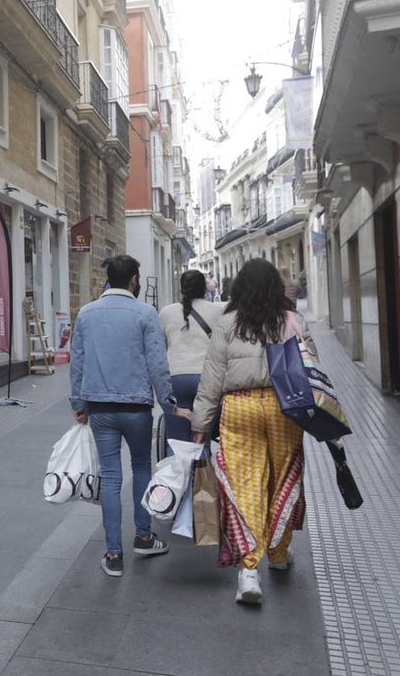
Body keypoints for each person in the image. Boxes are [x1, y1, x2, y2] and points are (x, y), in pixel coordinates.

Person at [191, 258, 315, 605]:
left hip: (239, 408)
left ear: (240, 289)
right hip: (283, 408)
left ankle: (249, 571)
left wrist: (200, 426)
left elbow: (211, 378)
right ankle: (277, 553)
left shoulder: (227, 323)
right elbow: (313, 370)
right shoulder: (293, 320)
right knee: (282, 479)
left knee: (246, 482)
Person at [69, 255, 182, 578]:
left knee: (111, 475)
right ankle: (144, 536)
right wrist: (169, 405)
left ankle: (114, 554)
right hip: (137, 408)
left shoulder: (87, 314)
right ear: (135, 279)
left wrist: (79, 402)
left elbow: (77, 361)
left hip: (100, 408)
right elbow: (158, 366)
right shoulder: (146, 314)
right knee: (141, 466)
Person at [159, 270, 225, 445]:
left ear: (181, 288)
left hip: (175, 377)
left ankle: (179, 471)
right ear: (204, 288)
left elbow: (160, 349)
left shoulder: (166, 313)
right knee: (201, 439)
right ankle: (201, 470)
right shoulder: (218, 311)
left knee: (177, 443)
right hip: (205, 379)